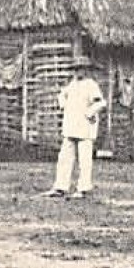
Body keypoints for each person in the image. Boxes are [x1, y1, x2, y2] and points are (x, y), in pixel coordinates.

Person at [48, 57, 106, 198]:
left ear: (87, 70)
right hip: (71, 125)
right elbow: (62, 95)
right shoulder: (72, 85)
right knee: (64, 157)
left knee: (85, 159)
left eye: (82, 69)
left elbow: (100, 103)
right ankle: (60, 186)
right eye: (76, 69)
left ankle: (83, 188)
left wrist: (89, 113)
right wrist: (64, 104)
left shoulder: (91, 85)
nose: (79, 72)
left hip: (85, 127)